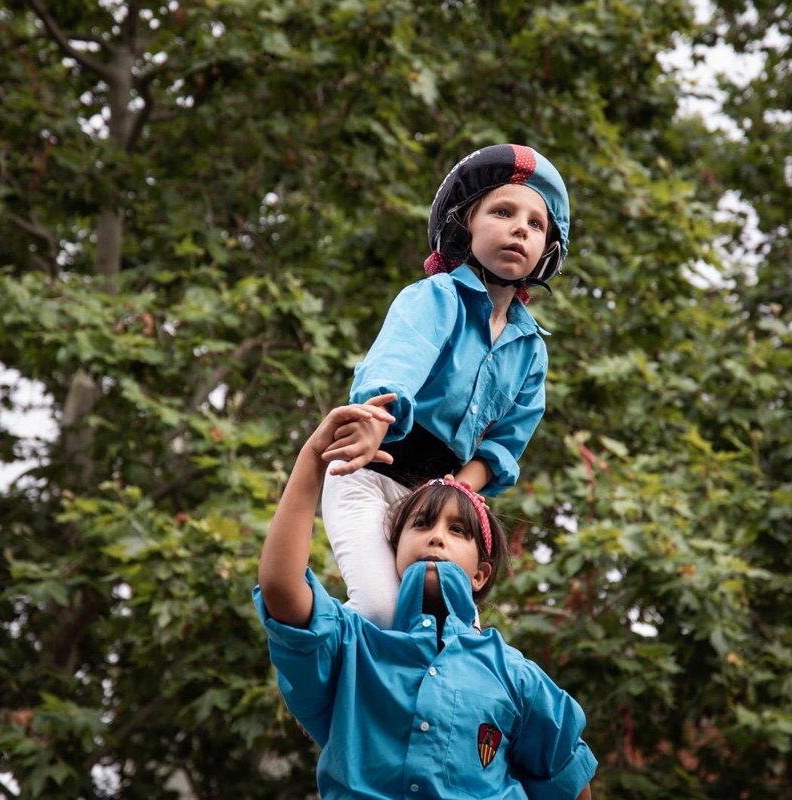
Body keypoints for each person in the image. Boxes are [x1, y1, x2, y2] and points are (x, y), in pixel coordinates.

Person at [255, 397, 596, 799]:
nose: (436, 536)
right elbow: (280, 588)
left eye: (458, 530)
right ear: (394, 554)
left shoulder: (515, 676)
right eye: (421, 524)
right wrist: (314, 456)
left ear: (480, 574)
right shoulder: (351, 648)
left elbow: (570, 779)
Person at [322, 144, 571, 627]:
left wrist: (455, 493)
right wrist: (373, 422)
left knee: (458, 630)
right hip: (370, 473)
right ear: (465, 226)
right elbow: (395, 364)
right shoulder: (437, 297)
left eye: (536, 224)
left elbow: (504, 445)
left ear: (547, 250)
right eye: (503, 212)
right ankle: (329, 646)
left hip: (435, 504)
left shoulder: (531, 352)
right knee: (382, 609)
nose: (521, 228)